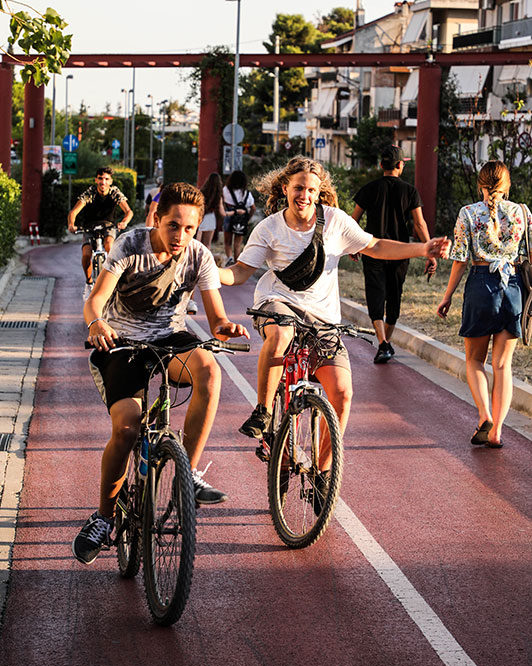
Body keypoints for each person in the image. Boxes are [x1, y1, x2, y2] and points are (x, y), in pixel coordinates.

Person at [218, 157, 449, 470]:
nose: (304, 195)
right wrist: (212, 272)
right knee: (282, 332)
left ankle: (323, 472)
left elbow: (375, 246)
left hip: (323, 318)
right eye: (298, 188)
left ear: (319, 192)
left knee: (342, 393)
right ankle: (264, 411)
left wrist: (423, 249)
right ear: (285, 188)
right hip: (278, 302)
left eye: (311, 190)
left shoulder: (335, 221)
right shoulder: (269, 228)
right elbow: (241, 271)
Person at [73, 182, 249, 565]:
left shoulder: (199, 255)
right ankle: (103, 518)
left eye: (189, 228)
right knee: (127, 428)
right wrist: (96, 323)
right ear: (157, 218)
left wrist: (226, 327)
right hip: (121, 342)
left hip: (169, 338)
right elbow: (96, 300)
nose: (180, 236)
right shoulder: (130, 245)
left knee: (209, 369)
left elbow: (217, 318)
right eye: (173, 225)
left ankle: (189, 475)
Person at [437, 161, 532, 449]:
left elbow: (460, 259)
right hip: (513, 288)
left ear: (481, 185)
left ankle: (484, 416)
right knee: (502, 365)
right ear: (507, 185)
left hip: (481, 285)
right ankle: (497, 432)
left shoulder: (468, 213)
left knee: (475, 360)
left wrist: (447, 296)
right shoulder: (522, 213)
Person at [351, 145, 436, 364]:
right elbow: (419, 223)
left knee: (375, 296)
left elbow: (353, 221)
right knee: (394, 296)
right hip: (400, 253)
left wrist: (354, 245)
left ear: (381, 165)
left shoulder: (369, 189)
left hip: (372, 250)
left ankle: (383, 344)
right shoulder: (410, 191)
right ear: (400, 165)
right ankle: (384, 343)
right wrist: (429, 252)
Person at [67, 167, 133, 299]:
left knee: (109, 245)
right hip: (90, 227)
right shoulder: (90, 193)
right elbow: (73, 212)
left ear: (111, 181)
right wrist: (71, 224)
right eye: (100, 179)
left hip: (108, 226)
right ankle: (89, 283)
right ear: (96, 180)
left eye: (107, 179)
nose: (103, 182)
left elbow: (128, 211)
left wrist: (124, 222)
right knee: (86, 254)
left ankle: (114, 276)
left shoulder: (114, 193)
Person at [223, 170, 255, 265]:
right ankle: (237, 264)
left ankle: (230, 258)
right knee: (237, 244)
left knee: (227, 242)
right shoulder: (247, 194)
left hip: (229, 216)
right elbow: (253, 208)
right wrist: (247, 218)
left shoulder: (226, 190)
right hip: (241, 219)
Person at [198, 173, 225, 250]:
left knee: (197, 243)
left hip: (201, 218)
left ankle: (194, 257)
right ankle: (205, 258)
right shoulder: (218, 197)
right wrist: (233, 213)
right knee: (207, 245)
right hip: (211, 219)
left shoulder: (201, 193)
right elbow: (222, 213)